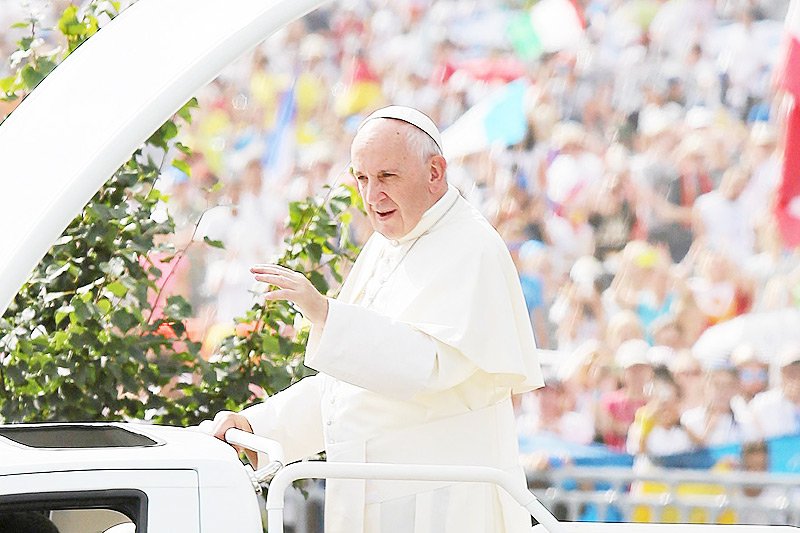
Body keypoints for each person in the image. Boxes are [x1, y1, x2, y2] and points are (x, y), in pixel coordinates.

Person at [210, 105, 544, 533]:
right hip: (378, 496)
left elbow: (430, 368)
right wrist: (259, 425)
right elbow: (349, 385)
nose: (371, 196)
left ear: (435, 172)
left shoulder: (473, 247)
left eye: (387, 177)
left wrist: (326, 314)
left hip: (441, 506)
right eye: (362, 178)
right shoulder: (386, 244)